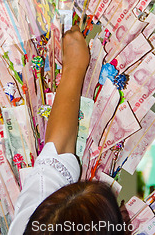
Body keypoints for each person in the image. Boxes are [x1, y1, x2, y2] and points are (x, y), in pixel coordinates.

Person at [8, 25, 126, 235]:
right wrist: (74, 65)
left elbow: (56, 154)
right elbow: (56, 156)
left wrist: (74, 66)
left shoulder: (33, 222)